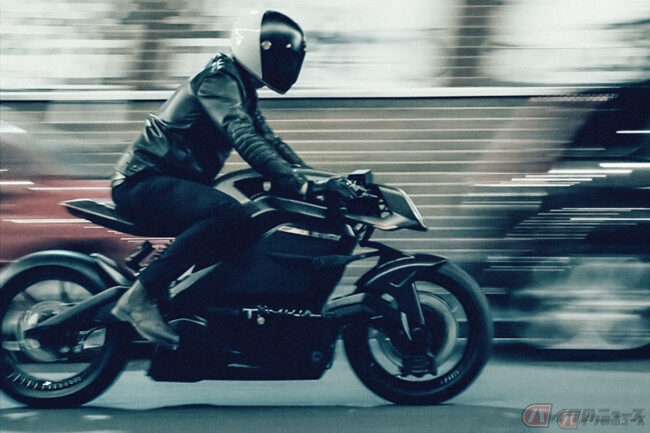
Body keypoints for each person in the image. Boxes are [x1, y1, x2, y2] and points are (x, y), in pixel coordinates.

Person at [110, 10, 358, 349]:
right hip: (143, 181)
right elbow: (246, 138)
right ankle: (139, 298)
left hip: (168, 183)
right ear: (259, 51)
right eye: (281, 56)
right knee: (229, 215)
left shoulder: (239, 87)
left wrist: (320, 182)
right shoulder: (218, 81)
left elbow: (271, 142)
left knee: (248, 226)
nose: (286, 64)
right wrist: (302, 186)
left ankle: (199, 307)